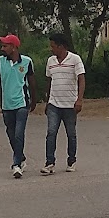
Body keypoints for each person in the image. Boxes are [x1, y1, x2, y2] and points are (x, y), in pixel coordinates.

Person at [0, 33, 36, 178]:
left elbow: (32, 82)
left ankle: (16, 164)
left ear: (14, 47)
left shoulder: (27, 62)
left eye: (5, 46)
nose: (2, 48)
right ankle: (20, 157)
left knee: (18, 133)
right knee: (10, 134)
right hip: (6, 104)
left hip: (21, 103)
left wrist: (34, 100)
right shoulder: (0, 61)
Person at [42, 32, 84, 174]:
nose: (51, 49)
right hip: (54, 103)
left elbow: (81, 79)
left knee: (71, 133)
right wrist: (47, 101)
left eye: (53, 46)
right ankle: (49, 162)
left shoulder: (75, 59)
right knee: (51, 132)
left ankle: (71, 160)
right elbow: (49, 81)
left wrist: (79, 99)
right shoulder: (51, 61)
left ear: (61, 47)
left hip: (70, 104)